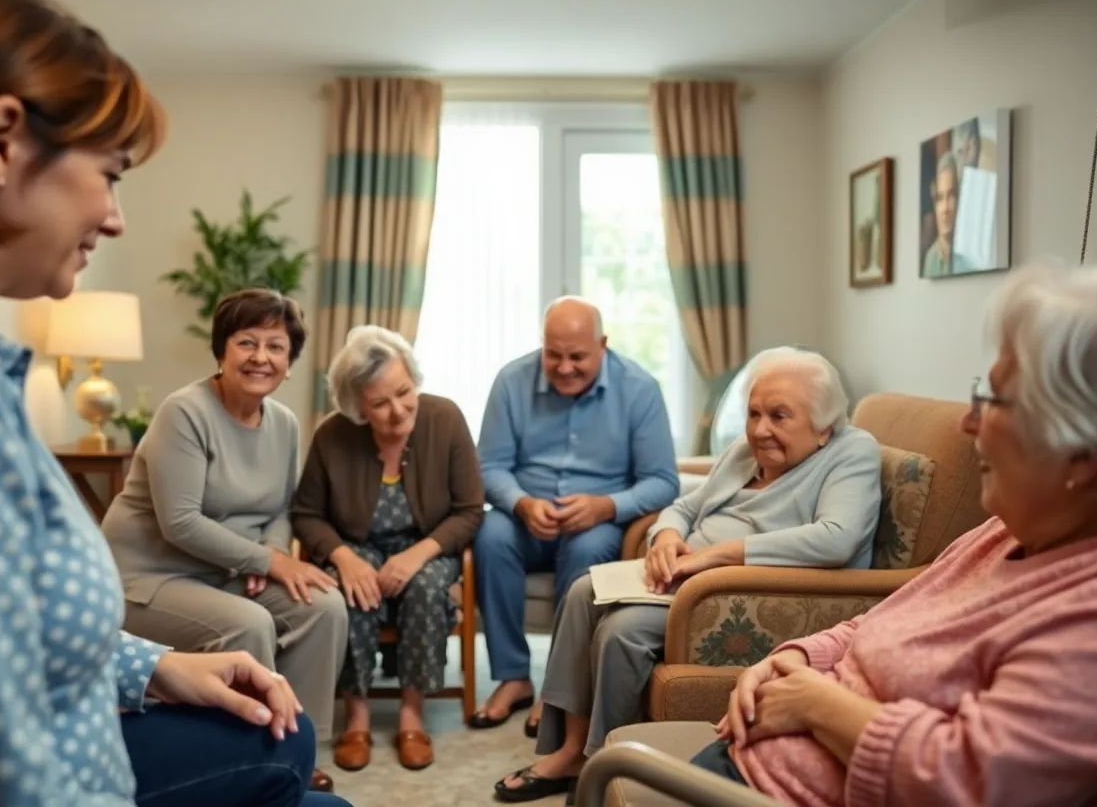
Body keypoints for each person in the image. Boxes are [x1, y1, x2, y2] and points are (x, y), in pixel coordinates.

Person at [0, 0, 349, 804]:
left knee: (290, 740)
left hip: (135, 674)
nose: (116, 216)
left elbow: (27, 639)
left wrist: (157, 666)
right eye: (111, 174)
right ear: (4, 141)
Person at [685, 262, 1097, 807]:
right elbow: (889, 619)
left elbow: (968, 779)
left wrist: (815, 705)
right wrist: (801, 657)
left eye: (993, 400)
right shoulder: (1001, 532)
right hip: (747, 766)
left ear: (1083, 455)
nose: (968, 423)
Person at [494, 346, 883, 802]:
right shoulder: (744, 452)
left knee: (621, 630)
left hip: (736, 594)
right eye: (754, 413)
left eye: (780, 416)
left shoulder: (851, 451)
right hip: (686, 578)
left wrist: (717, 557)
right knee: (583, 592)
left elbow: (836, 538)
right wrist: (665, 540)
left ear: (823, 427)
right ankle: (571, 750)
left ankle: (606, 766)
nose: (761, 430)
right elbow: (680, 507)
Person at [103, 288, 348, 792]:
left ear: (290, 361)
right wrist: (268, 561)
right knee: (249, 623)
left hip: (226, 571)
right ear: (222, 350)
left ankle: (300, 744)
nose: (261, 357)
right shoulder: (185, 412)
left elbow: (281, 506)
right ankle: (249, 759)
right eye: (247, 342)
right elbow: (181, 522)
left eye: (276, 346)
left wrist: (270, 557)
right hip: (145, 577)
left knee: (324, 605)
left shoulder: (282, 422)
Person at [471, 297, 680, 736]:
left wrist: (607, 506)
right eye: (553, 354)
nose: (564, 367)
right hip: (524, 519)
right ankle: (512, 678)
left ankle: (556, 688)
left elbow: (663, 481)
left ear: (602, 345)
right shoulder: (511, 381)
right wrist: (522, 503)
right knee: (489, 534)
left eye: (577, 357)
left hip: (598, 523)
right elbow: (488, 467)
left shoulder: (640, 389)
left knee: (591, 546)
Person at [291, 325, 484, 771]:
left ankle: (411, 715)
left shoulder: (445, 418)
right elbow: (305, 514)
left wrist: (417, 555)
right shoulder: (332, 436)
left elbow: (471, 510)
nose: (398, 410)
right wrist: (342, 556)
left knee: (424, 587)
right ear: (357, 407)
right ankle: (356, 717)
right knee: (353, 588)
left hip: (429, 547)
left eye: (404, 391)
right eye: (380, 403)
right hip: (357, 544)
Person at [921, 152, 978, 277]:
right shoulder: (930, 259)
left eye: (951, 196)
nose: (945, 209)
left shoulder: (972, 259)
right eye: (940, 198)